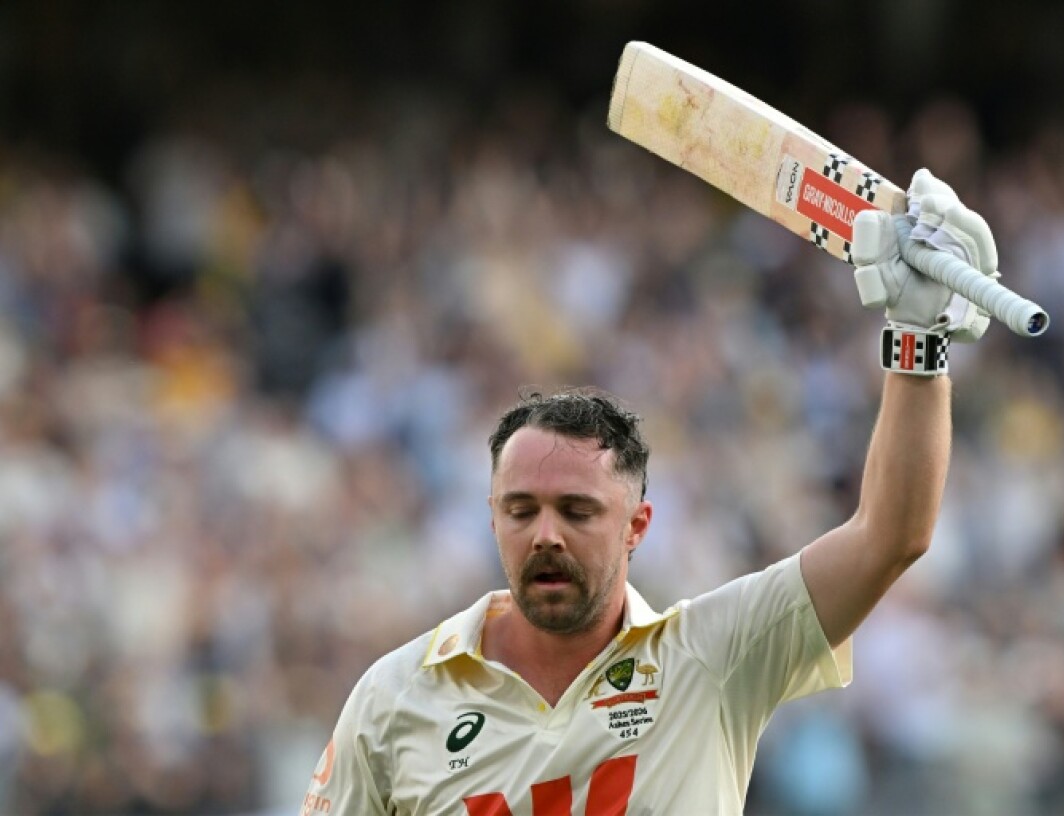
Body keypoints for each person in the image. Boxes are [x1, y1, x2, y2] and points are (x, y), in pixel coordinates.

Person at [301, 169, 1002, 815]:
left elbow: (892, 534)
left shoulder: (714, 657)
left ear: (637, 526)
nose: (545, 534)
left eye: (578, 510)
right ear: (492, 519)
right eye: (521, 510)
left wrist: (917, 338)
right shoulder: (395, 698)